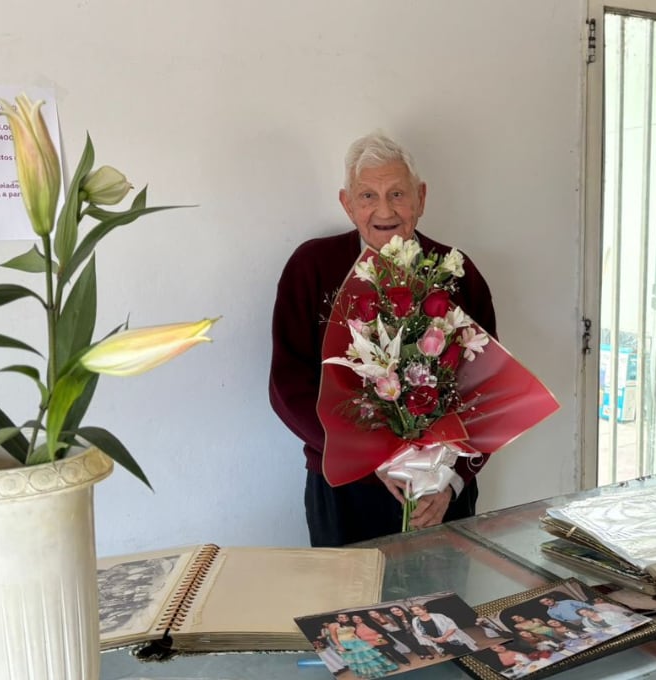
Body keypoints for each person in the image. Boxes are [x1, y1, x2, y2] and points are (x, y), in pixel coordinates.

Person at [270, 131, 498, 547]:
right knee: (346, 609)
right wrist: (364, 455)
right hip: (344, 484)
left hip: (439, 491)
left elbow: (489, 392)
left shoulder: (457, 273)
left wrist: (451, 481)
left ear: (421, 198)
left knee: (444, 609)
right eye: (368, 196)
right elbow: (288, 388)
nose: (385, 209)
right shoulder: (312, 267)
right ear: (346, 203)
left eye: (398, 193)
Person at [326, 613, 400, 679]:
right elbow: (333, 637)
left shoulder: (350, 623)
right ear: (337, 618)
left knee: (369, 657)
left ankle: (383, 669)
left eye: (345, 616)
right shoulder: (333, 625)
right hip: (346, 644)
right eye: (341, 617)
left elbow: (355, 634)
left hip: (358, 642)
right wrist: (339, 646)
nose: (344, 618)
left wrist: (362, 641)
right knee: (359, 660)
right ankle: (371, 673)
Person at [410, 603, 480, 654]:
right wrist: (435, 639)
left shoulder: (439, 616)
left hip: (451, 638)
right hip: (438, 641)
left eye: (418, 609)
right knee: (455, 653)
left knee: (464, 651)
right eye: (414, 611)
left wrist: (444, 637)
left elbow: (452, 626)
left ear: (424, 609)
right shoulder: (415, 620)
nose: (416, 612)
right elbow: (420, 633)